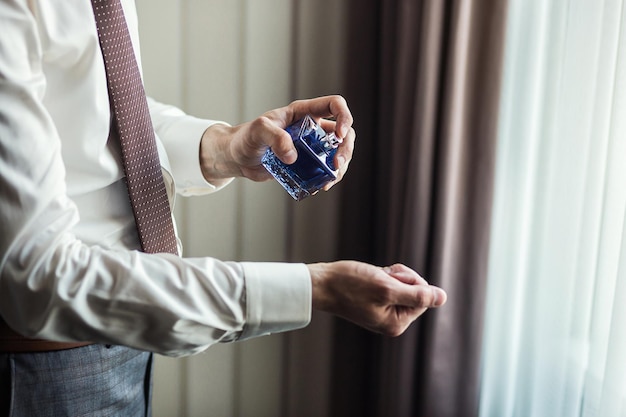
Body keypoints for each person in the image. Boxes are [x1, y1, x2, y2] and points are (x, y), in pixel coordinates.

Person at [0, 0, 447, 415]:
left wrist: (225, 148)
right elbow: (39, 277)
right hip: (42, 365)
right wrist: (315, 288)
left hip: (128, 336)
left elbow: (91, 107)